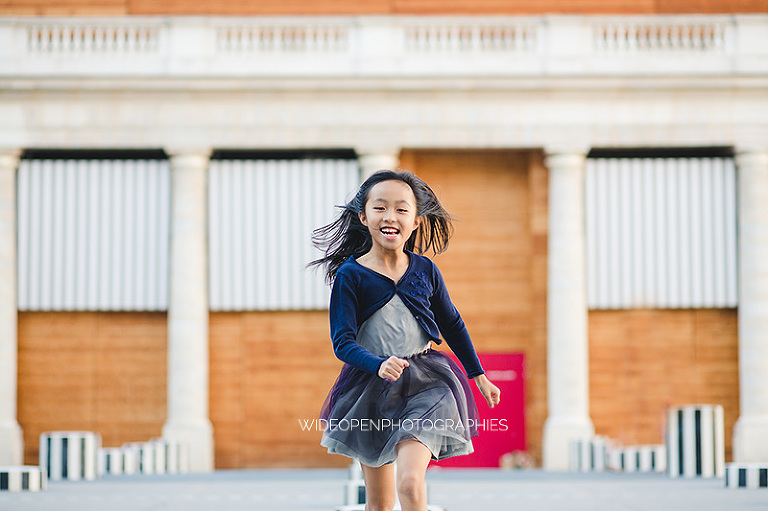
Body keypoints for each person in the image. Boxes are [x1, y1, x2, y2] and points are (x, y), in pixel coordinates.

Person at [311, 169, 501, 511]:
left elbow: (452, 323)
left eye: (402, 209)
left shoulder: (425, 270)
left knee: (411, 485)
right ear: (363, 216)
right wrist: (379, 364)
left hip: (427, 384)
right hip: (370, 389)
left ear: (415, 221)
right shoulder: (351, 275)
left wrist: (478, 374)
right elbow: (342, 342)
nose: (390, 216)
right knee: (380, 506)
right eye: (380, 207)